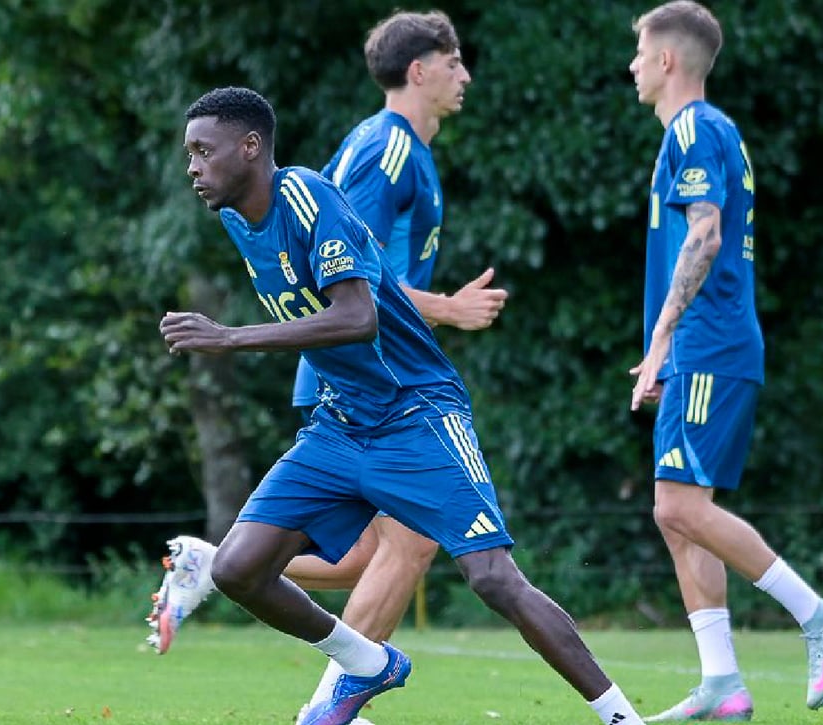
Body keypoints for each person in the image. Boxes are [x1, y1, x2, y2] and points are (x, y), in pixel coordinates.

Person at [163, 84, 646, 725]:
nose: (192, 166)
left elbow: (358, 317)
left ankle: (621, 718)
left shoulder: (308, 196)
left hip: (417, 414)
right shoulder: (235, 220)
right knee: (238, 570)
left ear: (251, 147)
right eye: (189, 153)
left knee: (492, 578)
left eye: (203, 150)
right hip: (341, 424)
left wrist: (230, 338)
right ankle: (367, 663)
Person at [146, 10, 507, 720]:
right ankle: (330, 706)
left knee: (360, 559)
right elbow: (349, 278)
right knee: (408, 550)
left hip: (360, 362)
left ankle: (215, 569)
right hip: (355, 372)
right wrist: (445, 308)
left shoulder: (404, 151)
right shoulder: (388, 150)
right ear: (419, 70)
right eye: (455, 60)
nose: (465, 74)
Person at [626, 2, 823, 720]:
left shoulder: (695, 127)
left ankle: (818, 613)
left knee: (678, 503)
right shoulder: (707, 133)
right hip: (703, 349)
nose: (632, 66)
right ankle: (722, 680)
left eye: (639, 53)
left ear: (668, 60)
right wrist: (660, 351)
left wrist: (664, 337)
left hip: (710, 344)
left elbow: (705, 233)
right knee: (679, 514)